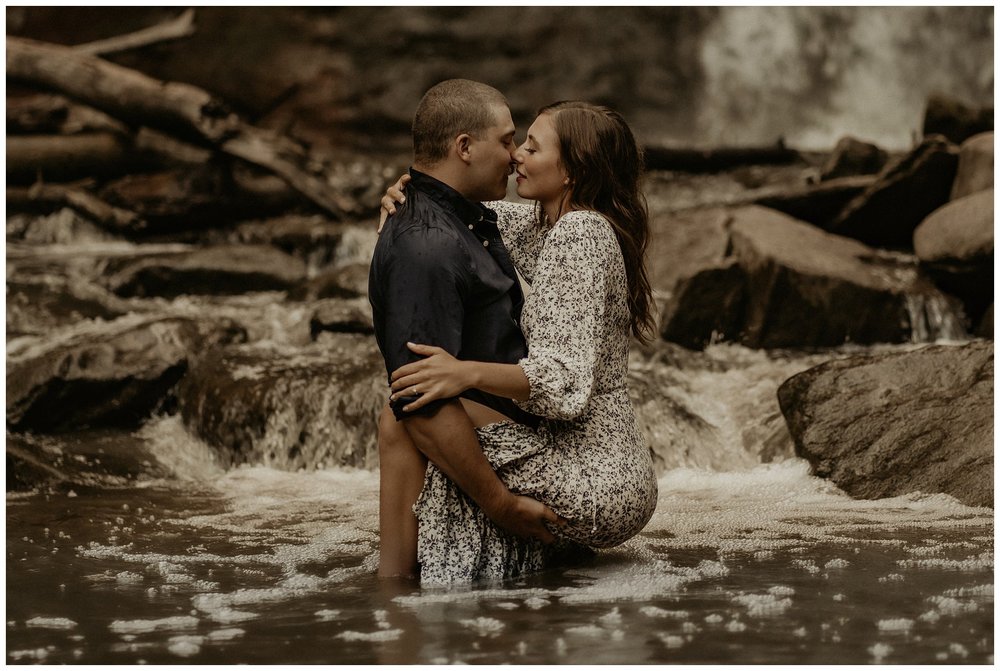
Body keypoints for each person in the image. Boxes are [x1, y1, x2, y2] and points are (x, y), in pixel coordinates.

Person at [377, 97, 659, 585]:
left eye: (531, 146)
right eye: (515, 143)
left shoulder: (580, 233)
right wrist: (402, 196)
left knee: (408, 407)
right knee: (417, 407)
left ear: (572, 170)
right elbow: (456, 206)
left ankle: (393, 595)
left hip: (596, 474)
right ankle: (406, 582)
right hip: (595, 458)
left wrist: (465, 374)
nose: (516, 157)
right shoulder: (541, 223)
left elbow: (564, 385)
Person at [368, 79, 563, 580]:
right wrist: (503, 506)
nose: (515, 154)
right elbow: (419, 403)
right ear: (464, 147)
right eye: (506, 140)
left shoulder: (467, 217)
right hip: (488, 459)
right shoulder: (428, 247)